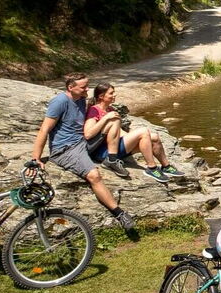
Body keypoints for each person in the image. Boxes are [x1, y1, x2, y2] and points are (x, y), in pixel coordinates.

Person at [30, 73, 135, 233]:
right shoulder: (60, 102)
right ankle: (119, 214)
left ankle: (112, 159)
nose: (87, 89)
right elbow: (44, 129)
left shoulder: (80, 99)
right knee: (94, 175)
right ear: (70, 87)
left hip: (83, 142)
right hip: (66, 150)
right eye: (84, 87)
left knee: (113, 119)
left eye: (87, 85)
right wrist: (35, 159)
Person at [83, 83, 184, 184]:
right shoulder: (94, 110)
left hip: (114, 146)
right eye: (111, 93)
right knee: (143, 131)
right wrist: (105, 118)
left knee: (154, 137)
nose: (115, 95)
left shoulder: (110, 109)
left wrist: (134, 138)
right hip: (102, 153)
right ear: (101, 96)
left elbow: (118, 132)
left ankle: (166, 166)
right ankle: (152, 168)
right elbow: (88, 134)